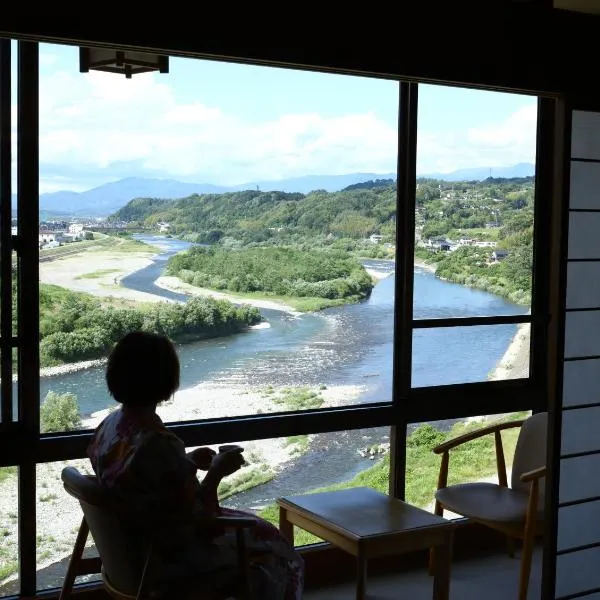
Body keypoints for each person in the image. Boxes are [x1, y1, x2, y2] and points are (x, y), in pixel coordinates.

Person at [87, 331, 303, 600]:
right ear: (164, 379)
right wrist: (216, 472)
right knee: (275, 551)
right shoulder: (159, 443)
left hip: (129, 553)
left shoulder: (109, 427)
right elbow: (202, 519)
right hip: (165, 559)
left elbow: (141, 483)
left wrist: (185, 464)